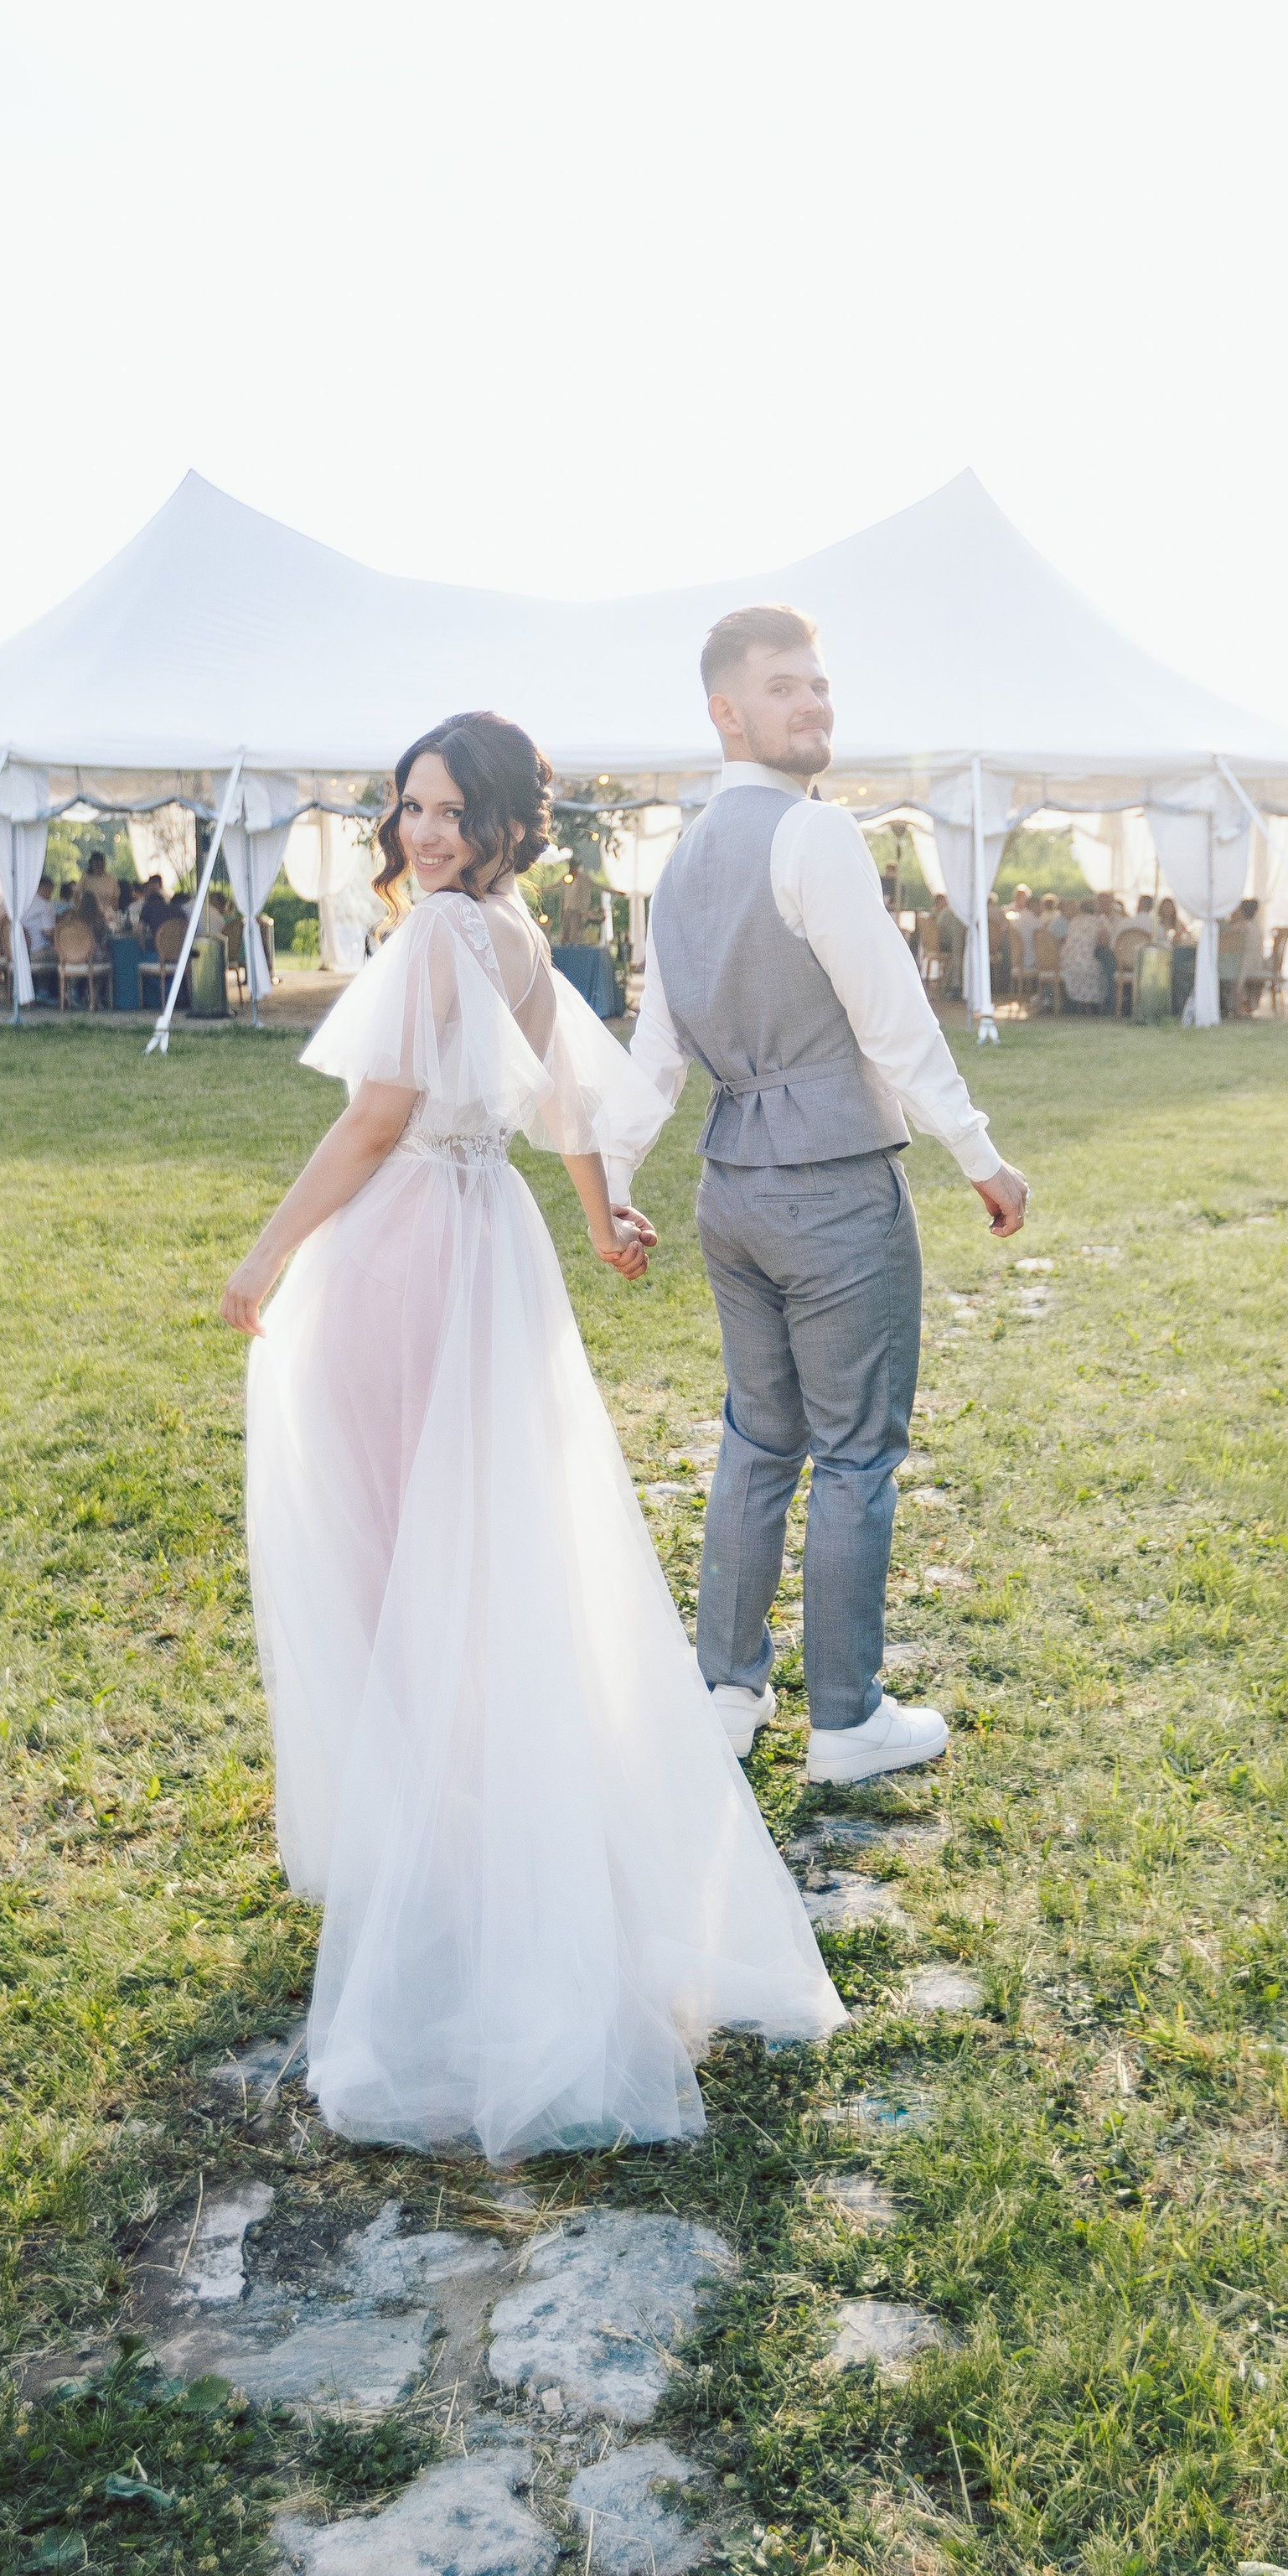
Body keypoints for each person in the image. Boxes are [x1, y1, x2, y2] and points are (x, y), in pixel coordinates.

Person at [222, 710, 842, 2158]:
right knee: (475, 1548)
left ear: (504, 823)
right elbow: (566, 1096)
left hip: (401, 1256)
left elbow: (375, 1121)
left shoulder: (442, 934)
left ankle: (448, 1886)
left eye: (450, 809)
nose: (423, 832)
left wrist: (264, 1256)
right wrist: (596, 1209)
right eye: (409, 807)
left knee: (392, 1555)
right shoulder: (507, 935)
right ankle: (480, 1850)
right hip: (486, 1240)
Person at [612, 603, 1031, 1790]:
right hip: (833, 1189)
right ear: (727, 711)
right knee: (852, 1453)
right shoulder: (817, 839)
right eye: (787, 687)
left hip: (730, 1190)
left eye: (820, 686)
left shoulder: (676, 866)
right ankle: (846, 1721)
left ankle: (727, 1697)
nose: (815, 705)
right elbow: (892, 1020)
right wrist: (981, 1157)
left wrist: (623, 1183)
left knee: (757, 1442)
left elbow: (656, 1058)